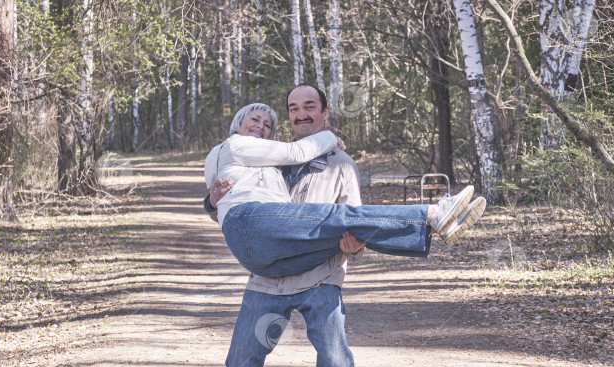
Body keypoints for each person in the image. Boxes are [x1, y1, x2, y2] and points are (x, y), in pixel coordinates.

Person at [204, 85, 481, 367]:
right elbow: (239, 202)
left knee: (335, 362)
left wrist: (356, 247)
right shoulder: (270, 158)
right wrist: (211, 200)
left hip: (320, 276)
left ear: (324, 113)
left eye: (309, 107)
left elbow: (357, 222)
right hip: (270, 280)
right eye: (293, 109)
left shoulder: (341, 165)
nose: (300, 115)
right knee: (239, 363)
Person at [205, 103, 486, 278]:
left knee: (341, 231)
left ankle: (435, 228)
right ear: (238, 124)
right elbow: (296, 150)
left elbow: (222, 198)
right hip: (253, 225)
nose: (261, 127)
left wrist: (210, 204)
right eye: (254, 120)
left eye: (267, 125)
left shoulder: (251, 160)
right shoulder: (235, 144)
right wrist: (330, 137)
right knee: (337, 217)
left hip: (263, 255)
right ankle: (434, 213)